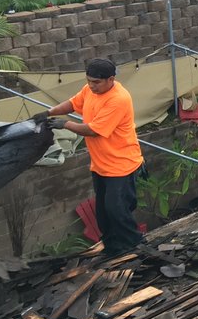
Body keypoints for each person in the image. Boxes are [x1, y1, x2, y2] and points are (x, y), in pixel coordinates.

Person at [44, 59, 144, 256]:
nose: (91, 85)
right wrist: (47, 113)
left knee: (117, 209)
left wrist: (64, 124)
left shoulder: (118, 99)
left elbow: (93, 130)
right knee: (103, 213)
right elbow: (73, 103)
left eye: (96, 82)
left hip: (122, 164)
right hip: (101, 164)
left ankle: (135, 245)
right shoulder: (91, 90)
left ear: (111, 79)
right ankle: (113, 248)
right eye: (89, 81)